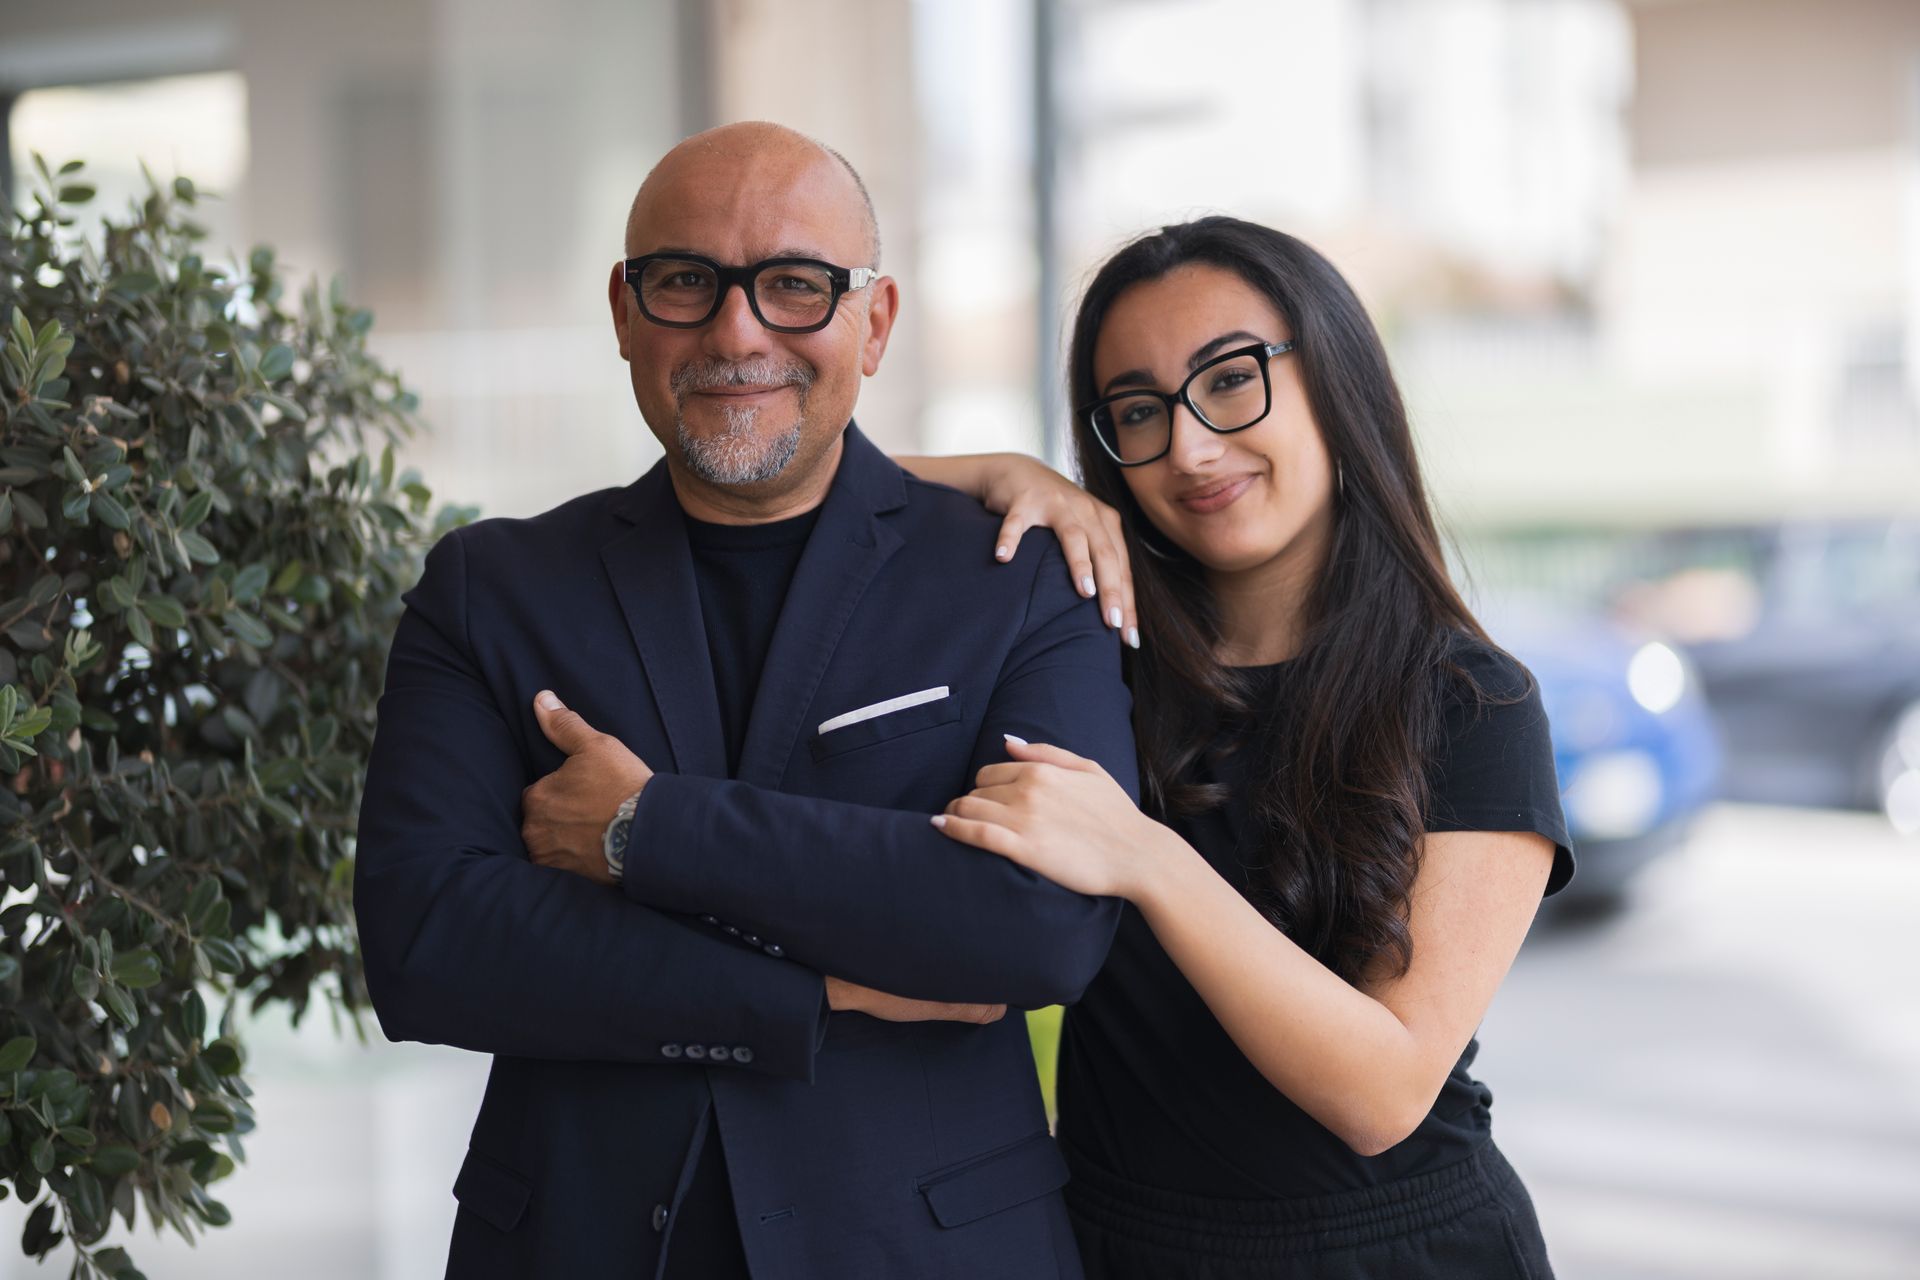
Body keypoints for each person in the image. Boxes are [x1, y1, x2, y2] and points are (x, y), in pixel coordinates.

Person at [352, 121, 1138, 1280]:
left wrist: (643, 828)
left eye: (794, 285)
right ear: (625, 311)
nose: (736, 330)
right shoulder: (491, 588)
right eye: (686, 282)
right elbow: (430, 943)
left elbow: (1038, 924)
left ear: (873, 322)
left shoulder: (1017, 577)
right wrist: (819, 984)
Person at [898, 215, 1577, 1279]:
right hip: (1118, 1239)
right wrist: (998, 468)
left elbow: (1384, 1091)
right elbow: (796, 496)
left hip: (1396, 1253)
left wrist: (1145, 855)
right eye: (1137, 410)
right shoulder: (1091, 653)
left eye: (1229, 380)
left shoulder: (1470, 702)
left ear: (1336, 377)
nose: (1190, 447)